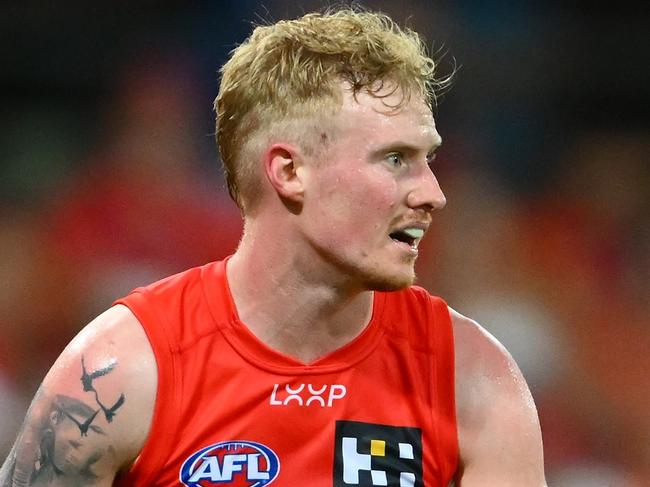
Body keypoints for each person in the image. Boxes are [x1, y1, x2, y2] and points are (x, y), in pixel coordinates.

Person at [1, 7, 547, 487]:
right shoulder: (116, 375)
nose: (433, 193)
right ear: (289, 171)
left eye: (428, 159)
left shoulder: (473, 379)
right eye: (395, 159)